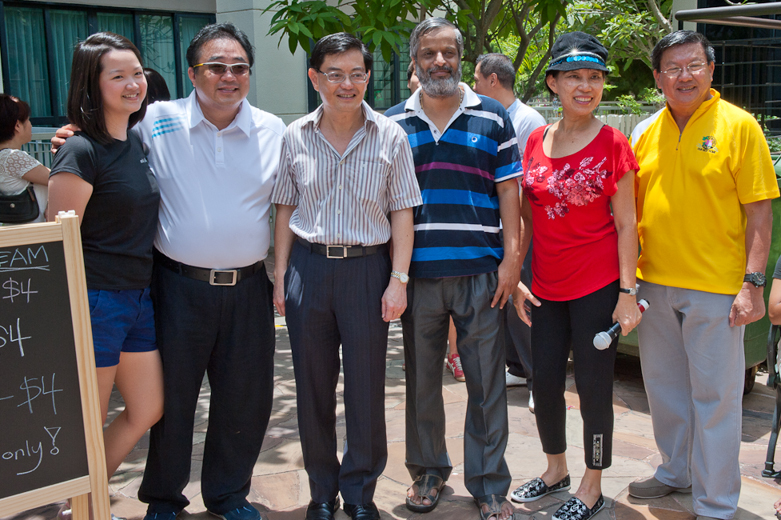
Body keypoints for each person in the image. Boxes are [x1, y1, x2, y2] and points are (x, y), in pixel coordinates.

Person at [53, 23, 284, 520]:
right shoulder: (156, 119)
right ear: (192, 73)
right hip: (175, 285)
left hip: (248, 287)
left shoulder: (274, 131)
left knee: (244, 399)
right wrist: (72, 135)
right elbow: (104, 144)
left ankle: (228, 495)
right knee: (171, 400)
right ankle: (162, 498)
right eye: (215, 66)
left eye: (239, 67)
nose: (228, 76)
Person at [628, 30, 779, 520]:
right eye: (672, 68)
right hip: (653, 284)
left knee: (716, 399)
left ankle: (715, 504)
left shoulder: (739, 126)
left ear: (711, 70)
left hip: (716, 289)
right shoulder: (644, 132)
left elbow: (760, 213)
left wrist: (752, 284)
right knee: (664, 389)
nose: (684, 76)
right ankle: (675, 472)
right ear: (657, 77)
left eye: (694, 65)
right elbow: (629, 213)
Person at [272, 33, 421, 520]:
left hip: (367, 270)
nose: (347, 83)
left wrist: (398, 279)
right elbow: (285, 206)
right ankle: (322, 490)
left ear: (368, 77)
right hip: (308, 268)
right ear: (315, 78)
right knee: (312, 386)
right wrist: (281, 275)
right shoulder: (295, 135)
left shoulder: (390, 135)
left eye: (357, 73)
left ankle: (359, 493)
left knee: (365, 388)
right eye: (334, 74)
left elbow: (403, 211)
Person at [385, 17, 522, 520]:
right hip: (417, 275)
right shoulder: (392, 123)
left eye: (449, 52)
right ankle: (427, 471)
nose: (439, 61)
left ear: (462, 57)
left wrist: (511, 262)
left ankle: (488, 483)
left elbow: (510, 194)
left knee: (486, 383)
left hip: (481, 273)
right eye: (429, 53)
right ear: (415, 60)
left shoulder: (493, 116)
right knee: (422, 381)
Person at [509, 32, 641, 520]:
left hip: (597, 288)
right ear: (554, 83)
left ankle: (592, 484)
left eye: (595, 78)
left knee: (592, 387)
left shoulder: (613, 144)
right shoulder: (535, 140)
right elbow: (526, 217)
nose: (586, 86)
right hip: (544, 286)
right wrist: (516, 275)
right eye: (574, 77)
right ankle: (555, 470)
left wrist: (627, 292)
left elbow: (627, 224)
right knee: (543, 382)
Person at [46, 32, 164, 518]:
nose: (133, 84)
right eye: (118, 76)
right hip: (94, 300)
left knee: (147, 407)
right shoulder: (79, 150)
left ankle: (83, 500)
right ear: (92, 85)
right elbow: (58, 241)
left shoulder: (136, 140)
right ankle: (86, 509)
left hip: (137, 297)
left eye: (137, 73)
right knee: (87, 421)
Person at [473, 52, 547, 411]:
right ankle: (517, 368)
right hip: (496, 227)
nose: (473, 86)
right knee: (503, 303)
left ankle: (538, 380)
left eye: (476, 80)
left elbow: (528, 184)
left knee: (524, 302)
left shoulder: (528, 120)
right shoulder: (488, 118)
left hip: (521, 229)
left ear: (492, 80)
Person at [0, 94, 49, 223]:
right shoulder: (12, 157)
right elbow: (57, 179)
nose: (31, 125)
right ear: (17, 125)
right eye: (28, 120)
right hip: (35, 231)